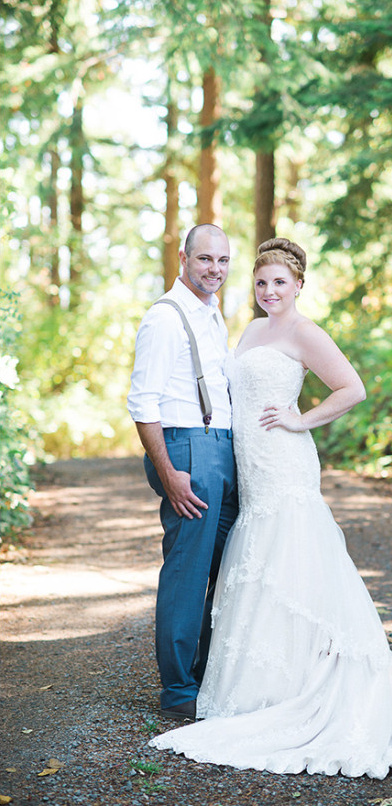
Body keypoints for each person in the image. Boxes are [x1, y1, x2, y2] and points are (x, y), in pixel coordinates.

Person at [149, 237, 392, 777]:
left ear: (299, 285)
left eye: (280, 282)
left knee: (294, 560)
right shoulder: (252, 330)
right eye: (261, 282)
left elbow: (352, 388)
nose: (269, 291)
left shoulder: (305, 332)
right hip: (250, 466)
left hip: (284, 461)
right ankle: (263, 681)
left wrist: (299, 419)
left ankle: (311, 682)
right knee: (259, 562)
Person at [127, 223, 238, 723]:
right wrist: (168, 471)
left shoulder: (213, 316)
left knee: (230, 571)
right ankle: (178, 692)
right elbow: (143, 405)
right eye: (205, 259)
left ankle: (207, 674)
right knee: (187, 574)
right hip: (189, 451)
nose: (214, 269)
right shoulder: (165, 319)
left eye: (222, 261)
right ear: (183, 259)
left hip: (223, 450)